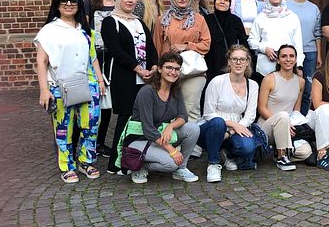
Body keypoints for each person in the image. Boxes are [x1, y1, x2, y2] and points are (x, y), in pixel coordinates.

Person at [35, 0, 105, 183]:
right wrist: (43, 90)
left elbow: (93, 58)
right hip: (60, 86)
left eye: (73, 0)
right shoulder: (49, 30)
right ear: (57, 4)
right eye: (64, 0)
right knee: (64, 128)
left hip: (88, 84)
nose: (69, 4)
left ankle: (85, 161)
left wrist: (100, 80)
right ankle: (66, 165)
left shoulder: (85, 30)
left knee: (91, 125)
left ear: (78, 5)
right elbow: (41, 61)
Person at [117, 52, 200, 184]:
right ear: (160, 69)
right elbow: (148, 129)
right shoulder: (147, 92)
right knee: (171, 163)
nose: (173, 72)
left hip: (158, 136)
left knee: (193, 128)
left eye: (177, 69)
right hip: (139, 139)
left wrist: (170, 126)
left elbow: (183, 116)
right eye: (169, 68)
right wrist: (172, 150)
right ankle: (139, 166)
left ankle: (181, 168)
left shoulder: (175, 90)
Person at [100, 0, 158, 174]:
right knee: (125, 118)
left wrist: (154, 67)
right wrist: (138, 69)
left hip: (145, 78)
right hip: (124, 78)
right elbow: (116, 51)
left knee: (140, 119)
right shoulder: (110, 22)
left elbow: (150, 47)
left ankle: (134, 157)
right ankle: (116, 163)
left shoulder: (139, 22)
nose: (130, 0)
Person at [198, 45, 258, 183]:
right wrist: (230, 124)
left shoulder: (253, 85)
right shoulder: (217, 81)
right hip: (213, 126)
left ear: (247, 62)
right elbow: (208, 113)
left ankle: (226, 153)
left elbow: (249, 116)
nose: (238, 63)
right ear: (229, 62)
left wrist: (232, 130)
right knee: (218, 122)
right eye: (235, 59)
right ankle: (213, 163)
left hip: (237, 127)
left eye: (242, 59)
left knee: (248, 148)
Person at [153, 0, 212, 121]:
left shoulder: (199, 19)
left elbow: (206, 44)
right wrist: (157, 68)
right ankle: (171, 140)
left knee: (190, 109)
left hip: (193, 71)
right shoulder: (162, 20)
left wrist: (186, 46)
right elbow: (157, 47)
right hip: (169, 70)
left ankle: (191, 140)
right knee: (168, 109)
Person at [257, 44, 313, 171]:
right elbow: (261, 108)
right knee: (283, 116)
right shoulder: (269, 79)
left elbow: (296, 110)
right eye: (284, 56)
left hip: (288, 126)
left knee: (306, 152)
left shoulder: (300, 82)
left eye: (291, 56)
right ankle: (282, 157)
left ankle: (279, 152)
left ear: (296, 59)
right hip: (267, 126)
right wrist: (283, 124)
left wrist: (292, 126)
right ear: (278, 60)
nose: (288, 59)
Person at [83, 0, 116, 157]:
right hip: (96, 56)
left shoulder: (118, 3)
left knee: (108, 104)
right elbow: (86, 30)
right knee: (93, 100)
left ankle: (101, 143)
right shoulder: (89, 4)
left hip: (113, 58)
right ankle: (85, 142)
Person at [248, 0, 304, 76]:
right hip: (265, 68)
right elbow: (251, 41)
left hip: (288, 67)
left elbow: (298, 44)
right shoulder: (261, 18)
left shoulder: (292, 17)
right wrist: (264, 49)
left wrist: (299, 65)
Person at [286, 0, 322, 115]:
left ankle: (304, 118)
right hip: (290, 52)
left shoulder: (313, 8)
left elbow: (317, 33)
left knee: (307, 87)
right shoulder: (286, 6)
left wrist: (319, 55)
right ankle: (290, 118)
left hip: (310, 52)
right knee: (290, 86)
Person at [204, 0, 248, 84]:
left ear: (229, 4)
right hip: (212, 61)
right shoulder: (207, 19)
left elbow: (243, 41)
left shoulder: (235, 20)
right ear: (215, 1)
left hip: (230, 62)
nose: (222, 1)